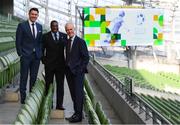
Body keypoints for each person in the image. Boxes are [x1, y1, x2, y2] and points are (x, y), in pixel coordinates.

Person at [16, 8, 43, 104]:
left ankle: (31, 96)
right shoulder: (22, 25)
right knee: (24, 76)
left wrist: (40, 53)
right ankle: (23, 98)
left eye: (36, 14)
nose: (34, 16)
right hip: (25, 55)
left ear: (37, 15)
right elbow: (18, 41)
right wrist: (21, 54)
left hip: (36, 56)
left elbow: (40, 42)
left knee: (34, 77)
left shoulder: (40, 26)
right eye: (32, 14)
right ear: (29, 14)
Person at [65, 23, 89, 123]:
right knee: (73, 94)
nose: (69, 31)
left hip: (78, 73)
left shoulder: (81, 41)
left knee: (78, 94)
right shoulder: (67, 42)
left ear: (74, 29)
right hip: (69, 72)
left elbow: (86, 57)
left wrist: (80, 70)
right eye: (67, 30)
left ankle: (78, 116)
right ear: (66, 31)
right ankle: (76, 113)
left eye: (71, 29)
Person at [42, 20, 66, 110]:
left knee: (60, 86)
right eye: (53, 26)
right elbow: (41, 49)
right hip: (49, 66)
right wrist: (44, 60)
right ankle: (49, 103)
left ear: (58, 26)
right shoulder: (45, 36)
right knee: (48, 85)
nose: (55, 27)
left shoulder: (64, 36)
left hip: (61, 66)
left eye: (56, 26)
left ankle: (59, 105)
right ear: (50, 26)